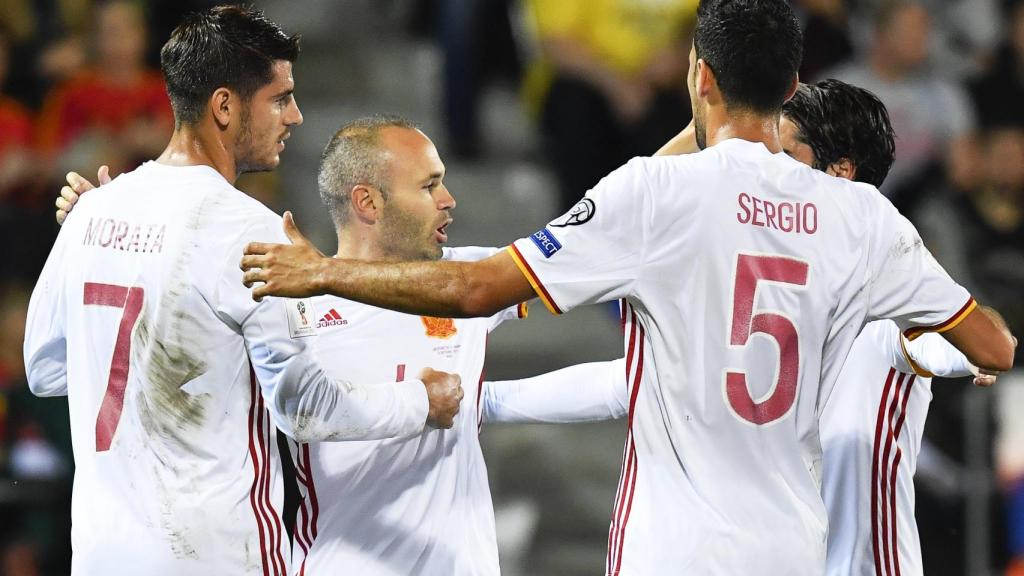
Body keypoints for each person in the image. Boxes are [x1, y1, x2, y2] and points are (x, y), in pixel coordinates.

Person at [240, 1, 1016, 573]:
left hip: (669, 549)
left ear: (699, 75)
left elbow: (478, 288)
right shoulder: (862, 218)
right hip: (794, 544)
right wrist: (920, 345)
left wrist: (320, 272)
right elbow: (993, 343)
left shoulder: (652, 196)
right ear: (792, 84)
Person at [23, 7, 462, 576]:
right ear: (225, 106)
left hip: (102, 554)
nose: (297, 116)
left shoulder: (91, 211)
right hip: (216, 554)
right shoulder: (245, 230)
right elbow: (306, 408)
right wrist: (420, 403)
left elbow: (46, 370)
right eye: (280, 99)